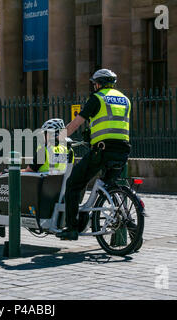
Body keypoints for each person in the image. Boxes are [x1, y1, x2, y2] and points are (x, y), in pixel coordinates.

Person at [56, 69, 131, 240]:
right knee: (106, 185)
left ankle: (72, 228)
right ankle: (133, 228)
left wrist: (58, 138)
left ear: (99, 84)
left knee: (74, 183)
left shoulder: (97, 98)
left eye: (95, 83)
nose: (94, 86)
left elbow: (76, 123)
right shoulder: (125, 100)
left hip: (102, 150)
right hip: (123, 150)